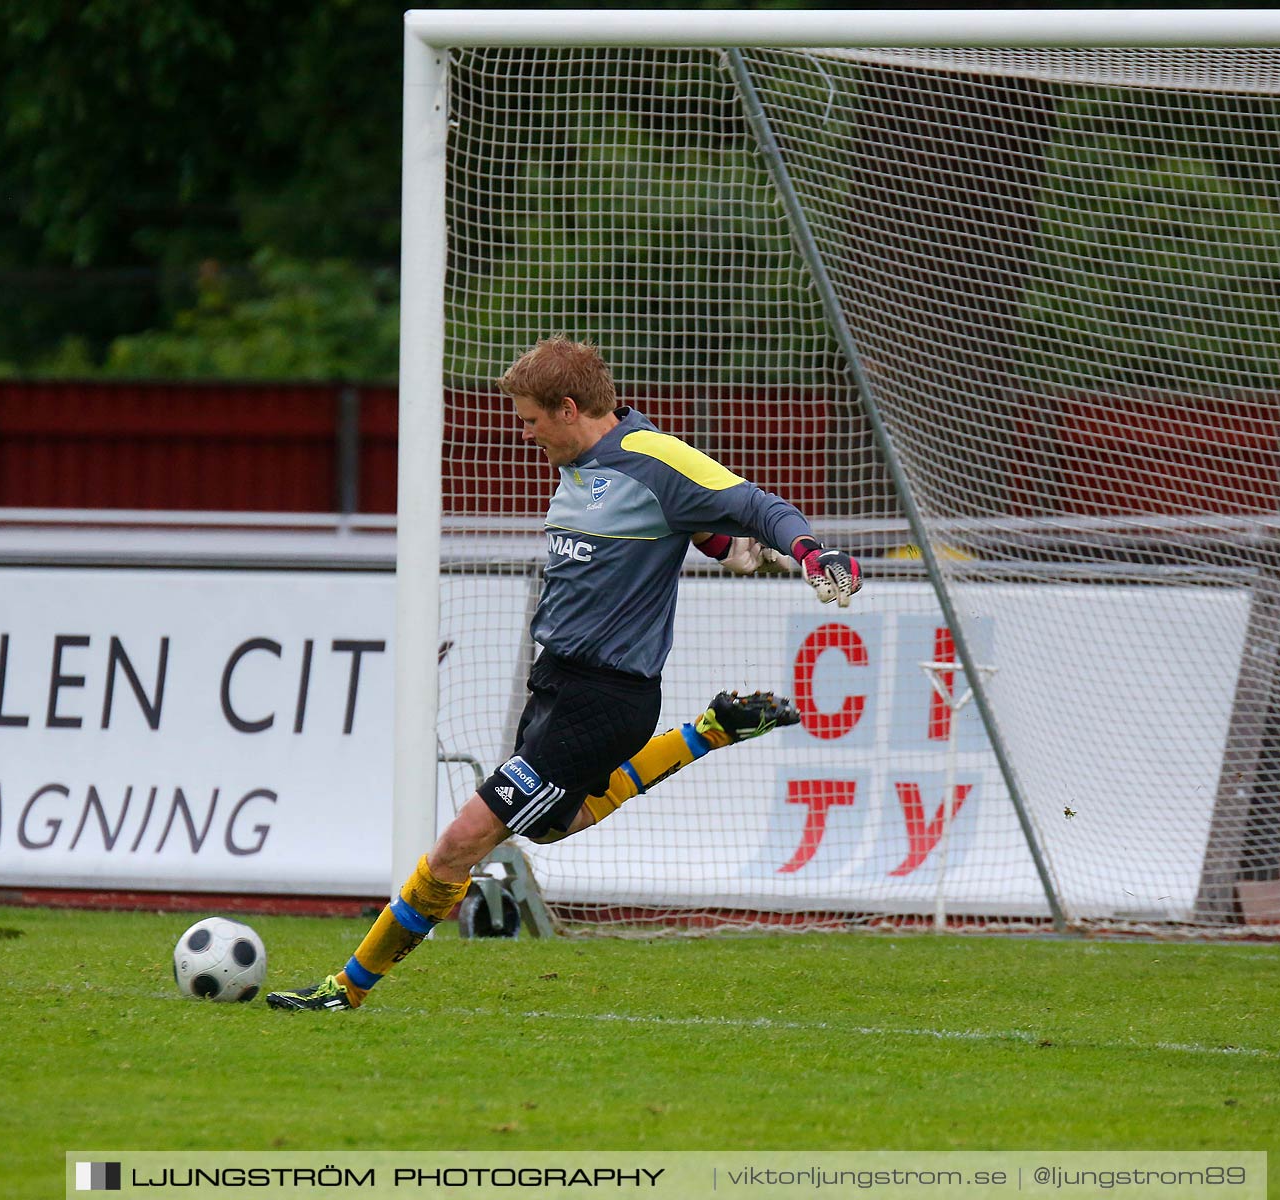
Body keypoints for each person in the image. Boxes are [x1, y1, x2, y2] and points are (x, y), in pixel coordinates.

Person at [268, 335, 862, 1011]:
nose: (527, 436)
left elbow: (756, 504)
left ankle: (345, 988)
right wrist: (716, 542)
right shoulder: (588, 462)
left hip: (607, 696)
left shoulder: (653, 455)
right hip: (556, 684)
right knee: (550, 823)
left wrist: (812, 554)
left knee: (461, 841)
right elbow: (673, 521)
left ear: (570, 407)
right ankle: (712, 730)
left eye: (530, 421)